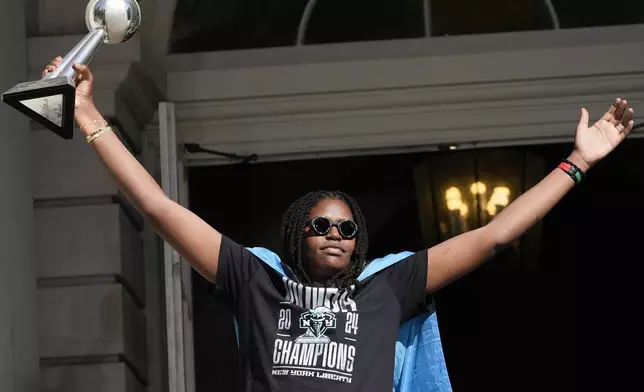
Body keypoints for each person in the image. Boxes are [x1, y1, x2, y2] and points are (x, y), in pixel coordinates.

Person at [42, 57, 634, 392]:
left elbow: (495, 234)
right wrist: (91, 115)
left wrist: (577, 163)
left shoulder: (388, 287)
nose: (334, 234)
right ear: (298, 234)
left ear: (359, 246)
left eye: (347, 230)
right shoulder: (255, 280)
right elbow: (160, 207)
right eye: (321, 226)